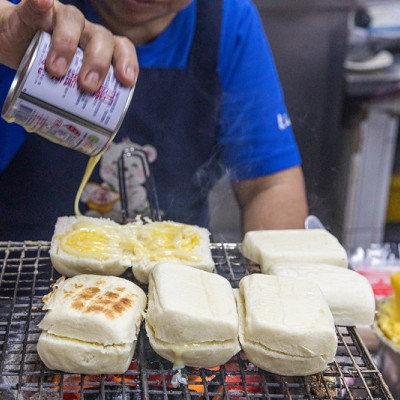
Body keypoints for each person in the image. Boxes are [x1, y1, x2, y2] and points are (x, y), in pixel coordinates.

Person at [0, 0, 308, 240]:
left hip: (175, 274)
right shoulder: (29, 13)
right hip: (25, 285)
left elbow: (269, 185)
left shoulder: (227, 22)